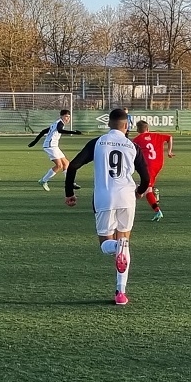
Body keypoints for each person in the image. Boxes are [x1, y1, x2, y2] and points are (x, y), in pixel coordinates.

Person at [64, 108, 150, 306]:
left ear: (109, 124)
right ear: (126, 125)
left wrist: (69, 193)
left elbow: (73, 166)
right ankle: (121, 293)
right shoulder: (132, 146)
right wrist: (139, 191)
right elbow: (146, 178)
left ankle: (118, 248)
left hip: (104, 198)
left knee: (106, 246)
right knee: (124, 243)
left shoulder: (97, 143)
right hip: (127, 198)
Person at [28, 109, 84, 191]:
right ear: (61, 116)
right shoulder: (60, 123)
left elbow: (43, 131)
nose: (68, 119)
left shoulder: (56, 123)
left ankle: (70, 183)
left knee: (66, 163)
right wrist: (74, 132)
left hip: (54, 146)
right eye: (66, 116)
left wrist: (35, 141)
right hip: (50, 146)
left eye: (69, 117)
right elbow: (60, 130)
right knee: (59, 165)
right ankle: (43, 181)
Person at [131, 120, 174, 221]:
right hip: (158, 164)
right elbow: (169, 137)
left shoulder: (136, 140)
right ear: (148, 128)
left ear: (138, 130)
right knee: (146, 186)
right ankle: (150, 189)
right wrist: (169, 151)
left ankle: (158, 211)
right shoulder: (157, 135)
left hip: (148, 166)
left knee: (146, 191)